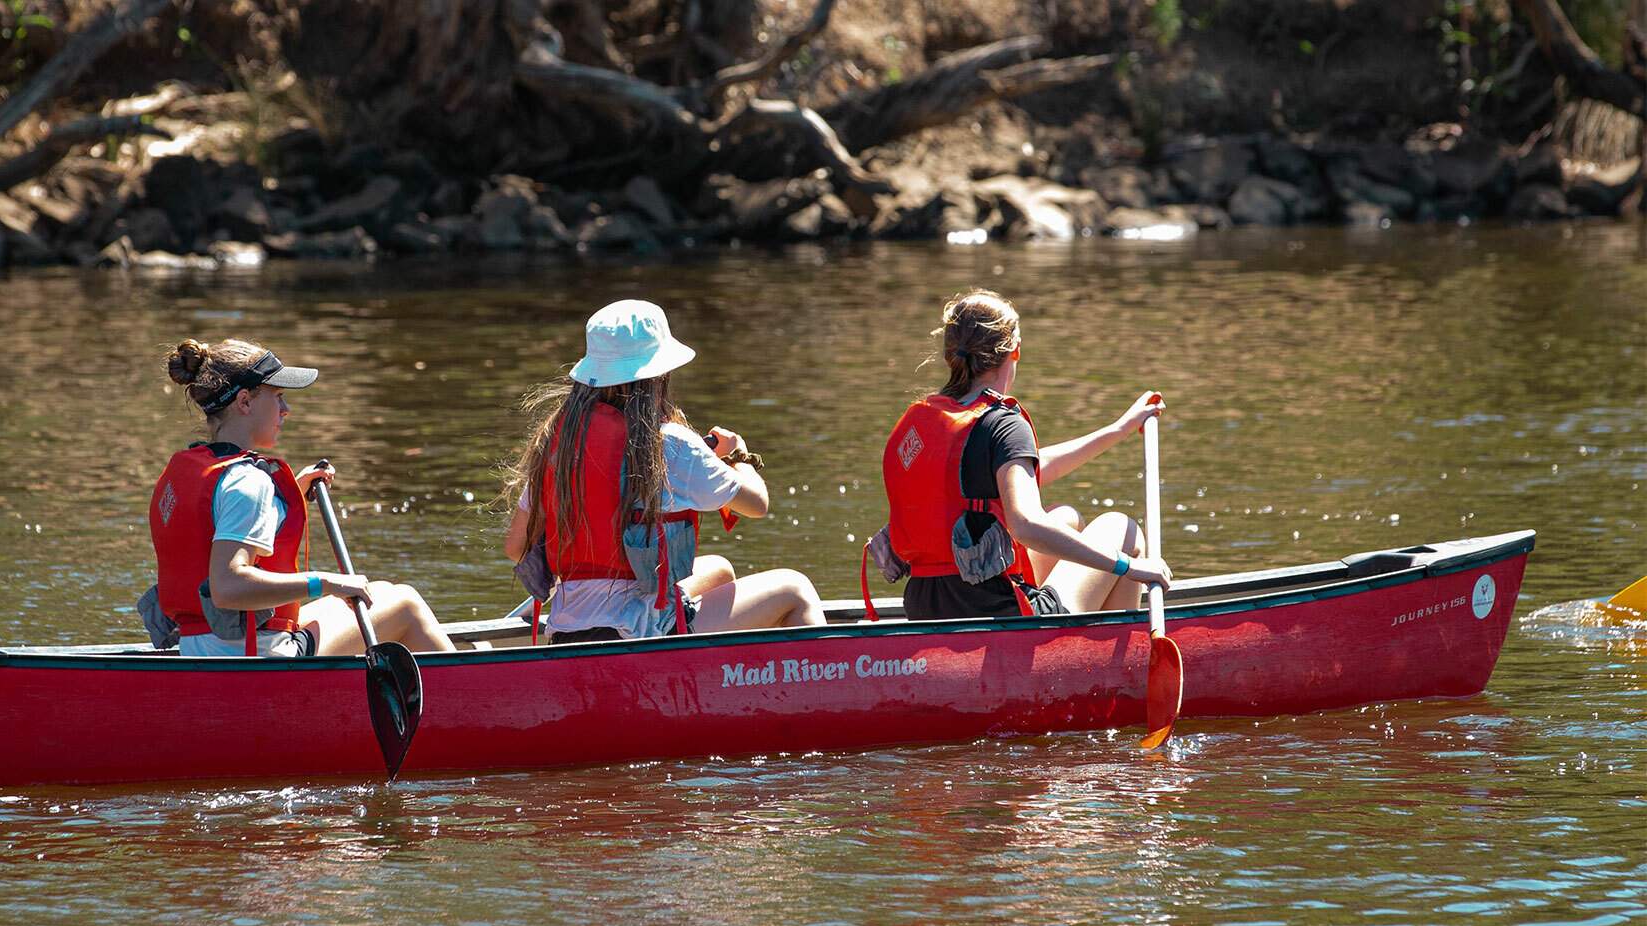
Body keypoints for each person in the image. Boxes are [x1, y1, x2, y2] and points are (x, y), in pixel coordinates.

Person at [504, 300, 827, 643]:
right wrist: (738, 456)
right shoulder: (670, 443)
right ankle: (829, 685)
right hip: (639, 631)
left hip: (568, 628)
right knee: (795, 588)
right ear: (659, 375)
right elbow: (757, 504)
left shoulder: (560, 443)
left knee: (718, 569)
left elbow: (516, 547)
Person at [873, 288, 1174, 621]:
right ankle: (1105, 657)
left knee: (1066, 517)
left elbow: (1027, 467)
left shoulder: (925, 420)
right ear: (1014, 350)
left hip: (925, 605)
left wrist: (1118, 430)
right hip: (995, 612)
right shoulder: (1002, 423)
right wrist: (1129, 566)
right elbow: (1026, 525)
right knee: (1122, 528)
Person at [150, 338, 453, 656]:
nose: (286, 410)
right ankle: (474, 689)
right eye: (278, 397)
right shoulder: (248, 482)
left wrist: (291, 490)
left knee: (381, 592)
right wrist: (323, 582)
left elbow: (218, 521)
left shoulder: (195, 469)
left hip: (201, 646)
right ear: (244, 402)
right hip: (252, 657)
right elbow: (227, 588)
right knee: (404, 602)